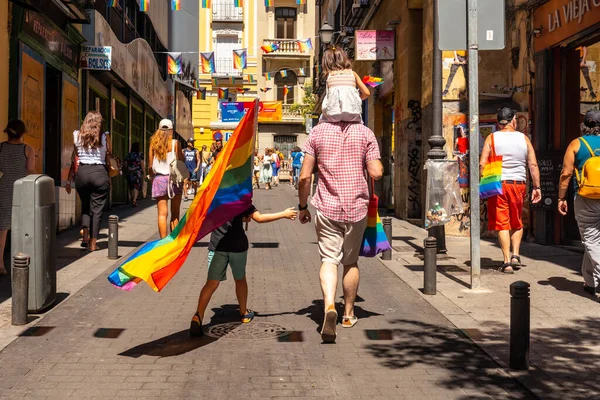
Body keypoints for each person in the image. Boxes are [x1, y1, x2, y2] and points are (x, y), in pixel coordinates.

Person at [298, 121, 383, 343]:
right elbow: (376, 172)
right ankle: (348, 314)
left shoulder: (317, 132)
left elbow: (305, 177)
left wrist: (302, 206)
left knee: (328, 259)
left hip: (327, 208)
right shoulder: (365, 132)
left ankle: (328, 306)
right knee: (350, 261)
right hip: (356, 208)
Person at [190, 205, 298, 337]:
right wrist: (284, 213)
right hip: (237, 246)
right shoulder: (241, 199)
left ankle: (198, 316)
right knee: (240, 279)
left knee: (211, 283)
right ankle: (243, 313)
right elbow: (259, 218)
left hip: (217, 246)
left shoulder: (214, 199)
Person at [479, 107, 541, 274]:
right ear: (514, 120)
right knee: (517, 219)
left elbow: (482, 164)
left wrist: (480, 183)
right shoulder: (524, 139)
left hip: (498, 184)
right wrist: (537, 187)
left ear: (498, 122)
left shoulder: (491, 138)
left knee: (502, 223)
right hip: (518, 184)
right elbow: (533, 165)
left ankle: (506, 262)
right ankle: (516, 255)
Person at [558, 110, 600, 294]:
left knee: (591, 239)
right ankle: (590, 281)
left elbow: (566, 174)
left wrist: (561, 197)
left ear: (584, 125)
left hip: (585, 198)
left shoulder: (576, 144)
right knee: (593, 240)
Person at [67, 111, 112, 252]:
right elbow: (108, 154)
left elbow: (76, 154)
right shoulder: (104, 136)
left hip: (83, 173)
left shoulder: (76, 135)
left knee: (85, 205)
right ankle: (93, 243)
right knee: (97, 210)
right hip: (99, 173)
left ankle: (85, 237)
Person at [0, 120, 35, 275]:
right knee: (20, 225)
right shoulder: (27, 149)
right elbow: (30, 170)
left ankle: (0, 263)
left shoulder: (0, 147)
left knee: (3, 227)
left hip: (3, 189)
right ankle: (20, 258)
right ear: (22, 133)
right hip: (20, 190)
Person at [148, 119, 183, 239]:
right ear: (171, 131)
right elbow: (181, 161)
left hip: (159, 180)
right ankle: (174, 239)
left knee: (162, 214)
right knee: (175, 212)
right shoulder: (175, 144)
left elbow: (150, 165)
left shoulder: (153, 144)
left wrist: (151, 176)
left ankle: (163, 241)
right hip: (174, 180)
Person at [320, 47, 370, 123]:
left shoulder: (330, 76)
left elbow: (329, 98)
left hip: (333, 114)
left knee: (322, 119)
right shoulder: (353, 74)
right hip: (353, 113)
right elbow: (366, 93)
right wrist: (356, 96)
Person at [123, 142, 144, 207]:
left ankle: (132, 199)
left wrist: (126, 170)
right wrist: (144, 172)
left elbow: (125, 164)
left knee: (131, 186)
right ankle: (134, 200)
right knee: (136, 186)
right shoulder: (140, 154)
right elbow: (142, 163)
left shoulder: (128, 155)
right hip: (137, 172)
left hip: (130, 172)